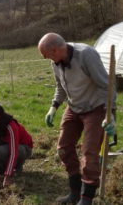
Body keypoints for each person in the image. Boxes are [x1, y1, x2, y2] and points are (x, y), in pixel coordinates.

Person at [38, 33, 116, 205]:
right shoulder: (56, 62)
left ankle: (86, 199)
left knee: (89, 153)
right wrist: (54, 106)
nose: (46, 59)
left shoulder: (86, 55)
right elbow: (60, 87)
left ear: (55, 49)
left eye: (47, 55)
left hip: (95, 107)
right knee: (63, 149)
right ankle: (74, 192)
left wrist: (110, 113)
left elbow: (107, 85)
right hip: (74, 107)